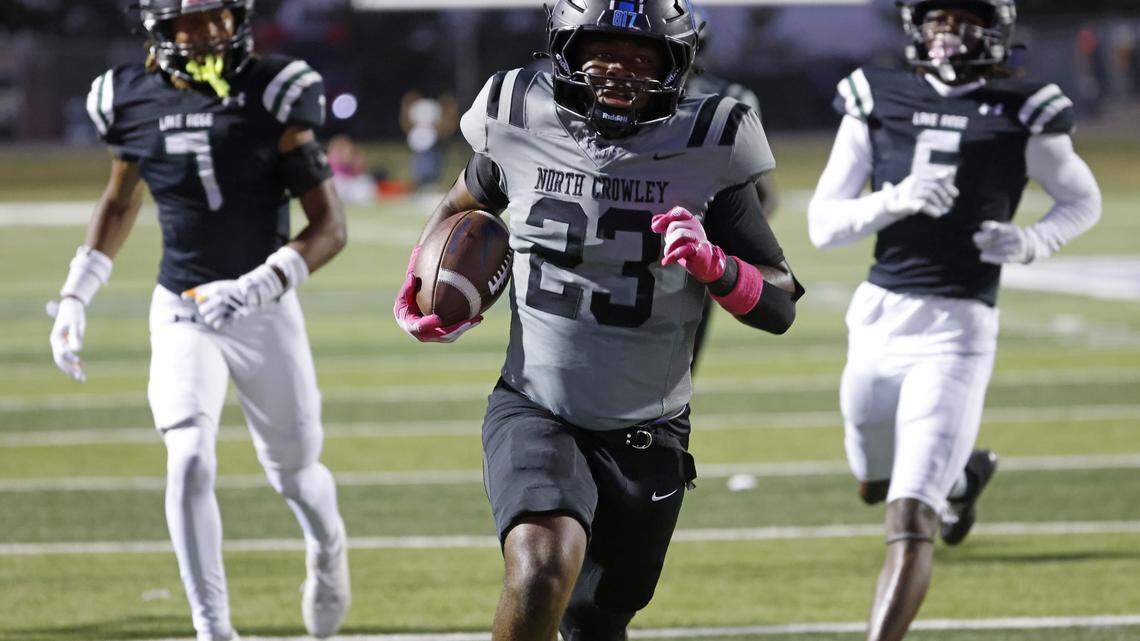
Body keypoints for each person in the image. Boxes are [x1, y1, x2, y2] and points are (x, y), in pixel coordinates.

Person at [394, 1, 803, 639]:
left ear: (678, 64)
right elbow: (460, 206)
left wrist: (716, 265)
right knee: (539, 568)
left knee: (599, 622)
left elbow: (779, 302)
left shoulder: (709, 143)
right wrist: (425, 284)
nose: (620, 71)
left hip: (649, 429)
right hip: (536, 404)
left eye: (643, 57)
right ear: (566, 51)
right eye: (603, 52)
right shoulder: (517, 114)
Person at [48, 1, 351, 639]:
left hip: (264, 311)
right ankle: (213, 629)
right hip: (184, 307)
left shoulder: (275, 90)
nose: (211, 31)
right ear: (160, 30)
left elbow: (329, 227)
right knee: (187, 455)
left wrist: (259, 283)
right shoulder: (125, 97)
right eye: (193, 21)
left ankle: (327, 551)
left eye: (220, 15)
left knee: (296, 475)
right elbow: (119, 200)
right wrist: (77, 292)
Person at [807, 2, 1101, 640]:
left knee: (909, 515)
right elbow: (822, 225)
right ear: (917, 28)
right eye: (937, 20)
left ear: (995, 31)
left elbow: (1081, 199)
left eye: (965, 20)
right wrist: (893, 199)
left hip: (958, 327)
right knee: (873, 483)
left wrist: (1031, 242)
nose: (949, 34)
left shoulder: (1025, 107)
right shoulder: (875, 95)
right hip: (879, 316)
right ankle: (965, 475)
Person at [685, 3, 778, 372]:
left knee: (674, 378)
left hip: (693, 257)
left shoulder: (728, 103)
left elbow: (762, 195)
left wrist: (721, 257)